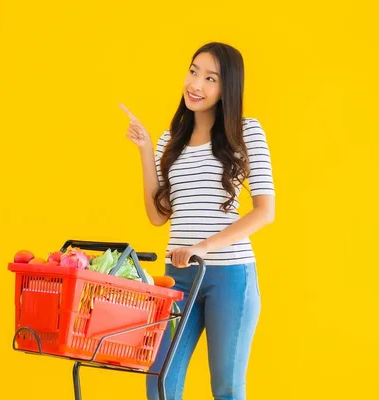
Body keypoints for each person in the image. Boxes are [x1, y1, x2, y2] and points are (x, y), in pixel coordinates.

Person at [120, 42, 275, 400]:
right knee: (160, 380)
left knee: (227, 387)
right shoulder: (168, 141)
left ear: (226, 89)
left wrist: (200, 248)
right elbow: (158, 217)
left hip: (229, 277)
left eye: (210, 78)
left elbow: (265, 211)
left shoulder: (246, 131)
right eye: (193, 72)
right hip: (178, 277)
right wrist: (146, 151)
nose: (196, 85)